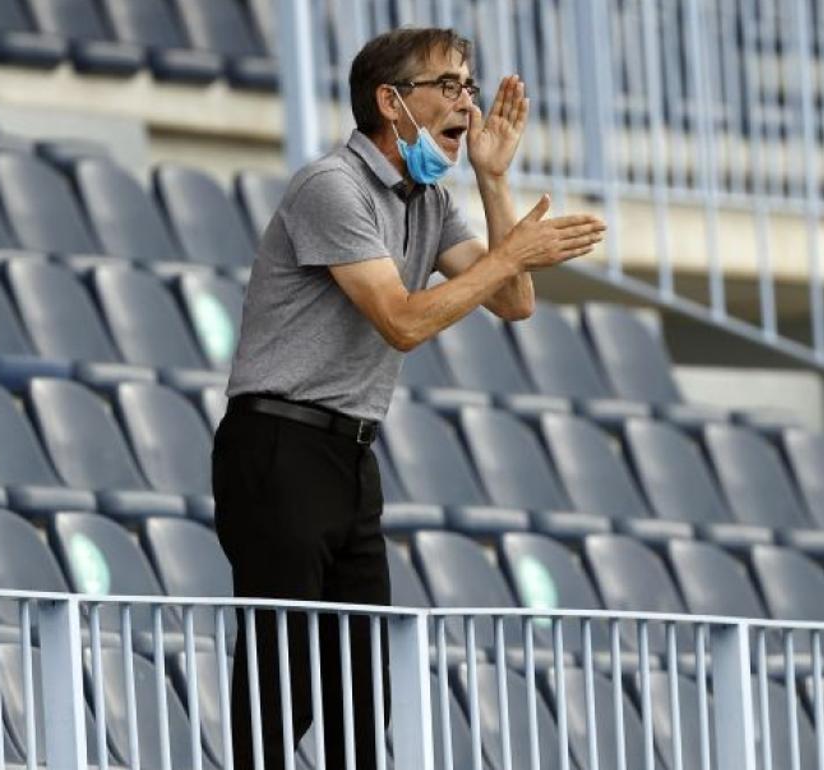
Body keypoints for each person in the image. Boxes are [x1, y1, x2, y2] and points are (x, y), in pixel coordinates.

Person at [212, 26, 606, 770]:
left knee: (362, 689)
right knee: (283, 675)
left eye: (470, 85)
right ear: (391, 103)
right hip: (278, 445)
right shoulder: (332, 186)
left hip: (351, 453)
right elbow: (401, 320)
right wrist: (514, 250)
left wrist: (494, 183)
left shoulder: (429, 200)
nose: (469, 101)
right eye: (449, 86)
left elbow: (514, 301)